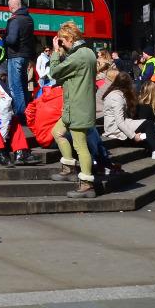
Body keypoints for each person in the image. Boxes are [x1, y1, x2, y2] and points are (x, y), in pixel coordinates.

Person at [48, 21, 99, 197]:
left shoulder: (79, 56)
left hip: (78, 108)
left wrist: (56, 52)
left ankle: (86, 184)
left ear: (69, 38)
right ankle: (69, 167)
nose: (61, 44)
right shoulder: (88, 53)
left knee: (80, 146)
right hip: (77, 107)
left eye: (62, 40)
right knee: (57, 132)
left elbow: (54, 72)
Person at [2, 0, 37, 141]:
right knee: (22, 86)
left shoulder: (15, 20)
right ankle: (25, 113)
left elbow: (12, 39)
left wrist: (4, 36)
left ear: (12, 7)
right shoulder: (29, 19)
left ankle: (21, 115)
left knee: (15, 86)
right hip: (25, 56)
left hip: (15, 55)